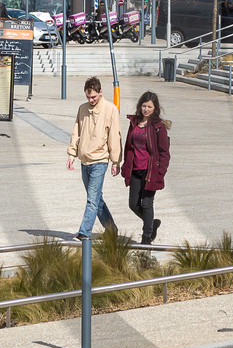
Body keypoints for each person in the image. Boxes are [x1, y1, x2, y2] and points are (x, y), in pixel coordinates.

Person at [67, 75, 124, 240]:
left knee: (91, 200)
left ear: (100, 92)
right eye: (88, 97)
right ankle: (111, 228)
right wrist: (71, 154)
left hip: (100, 160)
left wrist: (116, 161)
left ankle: (84, 232)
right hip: (84, 160)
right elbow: (76, 131)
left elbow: (115, 136)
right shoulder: (82, 109)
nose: (90, 100)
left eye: (93, 96)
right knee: (96, 198)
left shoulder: (110, 109)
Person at [125, 90, 171, 244]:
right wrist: (126, 165)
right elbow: (128, 147)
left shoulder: (158, 127)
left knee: (147, 204)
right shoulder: (134, 123)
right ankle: (152, 223)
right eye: (144, 106)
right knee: (133, 204)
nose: (146, 109)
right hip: (135, 170)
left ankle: (146, 238)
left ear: (155, 108)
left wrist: (161, 171)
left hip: (150, 171)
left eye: (149, 107)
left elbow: (165, 152)